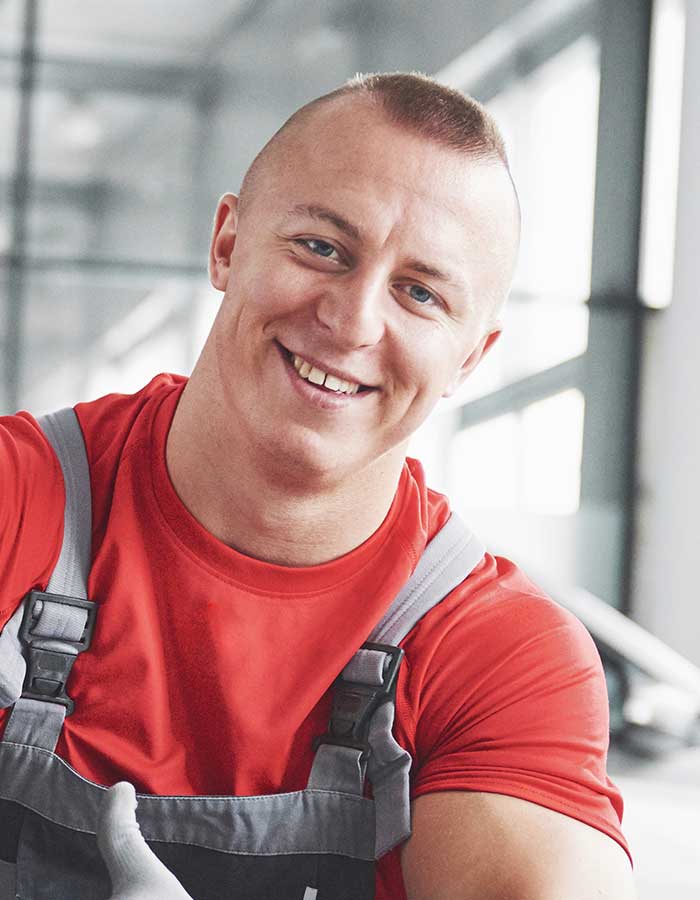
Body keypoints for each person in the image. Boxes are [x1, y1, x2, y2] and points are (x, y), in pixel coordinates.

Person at [0, 73, 636, 899]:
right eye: (322, 248)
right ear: (228, 244)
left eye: (420, 292)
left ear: (470, 359)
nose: (354, 320)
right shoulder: (20, 503)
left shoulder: (500, 661)